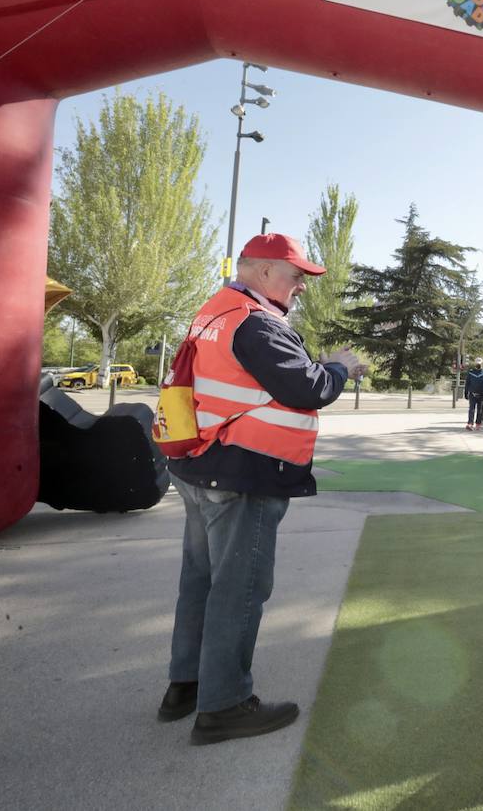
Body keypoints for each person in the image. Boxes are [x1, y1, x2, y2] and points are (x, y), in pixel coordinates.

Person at [159, 233, 363, 745]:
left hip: (202, 464)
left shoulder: (217, 310)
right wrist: (341, 365)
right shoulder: (256, 322)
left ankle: (187, 686)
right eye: (296, 276)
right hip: (242, 474)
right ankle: (224, 705)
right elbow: (308, 387)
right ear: (265, 271)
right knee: (239, 588)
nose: (300, 288)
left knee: (201, 582)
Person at [465, 357, 483, 429]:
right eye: (477, 363)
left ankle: (478, 424)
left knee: (480, 410)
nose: (478, 365)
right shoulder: (471, 372)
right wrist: (466, 392)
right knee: (471, 409)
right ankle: (470, 423)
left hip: (482, 394)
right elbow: (467, 383)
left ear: (482, 364)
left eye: (479, 363)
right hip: (472, 394)